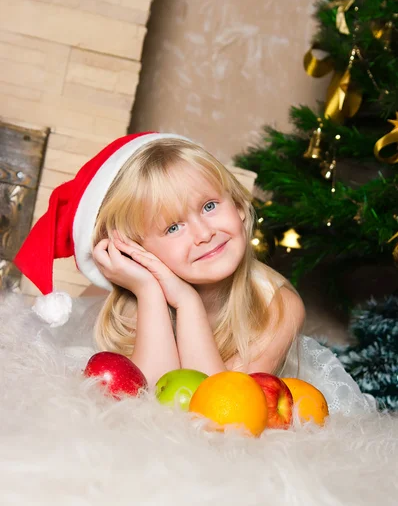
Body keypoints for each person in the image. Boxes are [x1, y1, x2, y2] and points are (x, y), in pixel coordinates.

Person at [14, 132, 375, 414]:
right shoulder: (137, 295)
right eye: (173, 228)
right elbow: (149, 402)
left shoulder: (277, 305)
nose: (204, 234)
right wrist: (150, 292)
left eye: (209, 205)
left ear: (236, 203)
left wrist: (186, 302)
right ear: (138, 252)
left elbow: (220, 406)